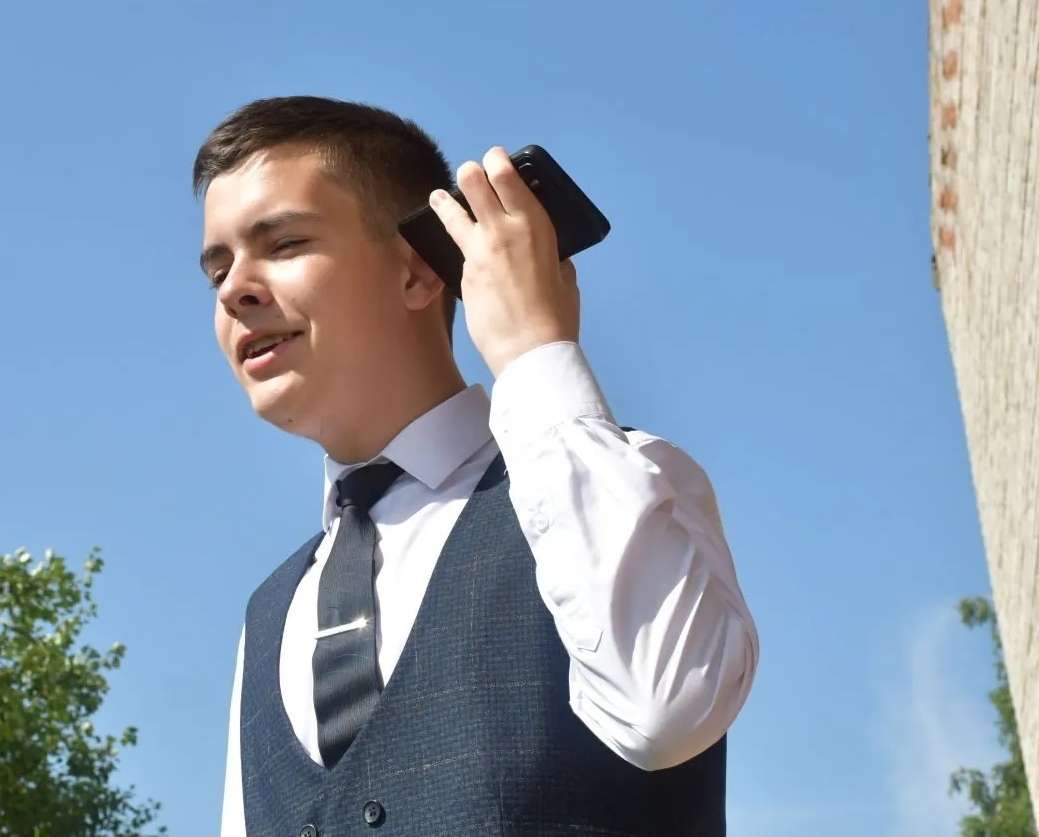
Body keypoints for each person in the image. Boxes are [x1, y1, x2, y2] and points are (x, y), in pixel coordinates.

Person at [194, 96, 758, 837]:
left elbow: (667, 709)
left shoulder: (630, 478)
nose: (234, 289)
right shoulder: (267, 617)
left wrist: (536, 354)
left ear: (418, 271)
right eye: (217, 270)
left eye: (286, 243)